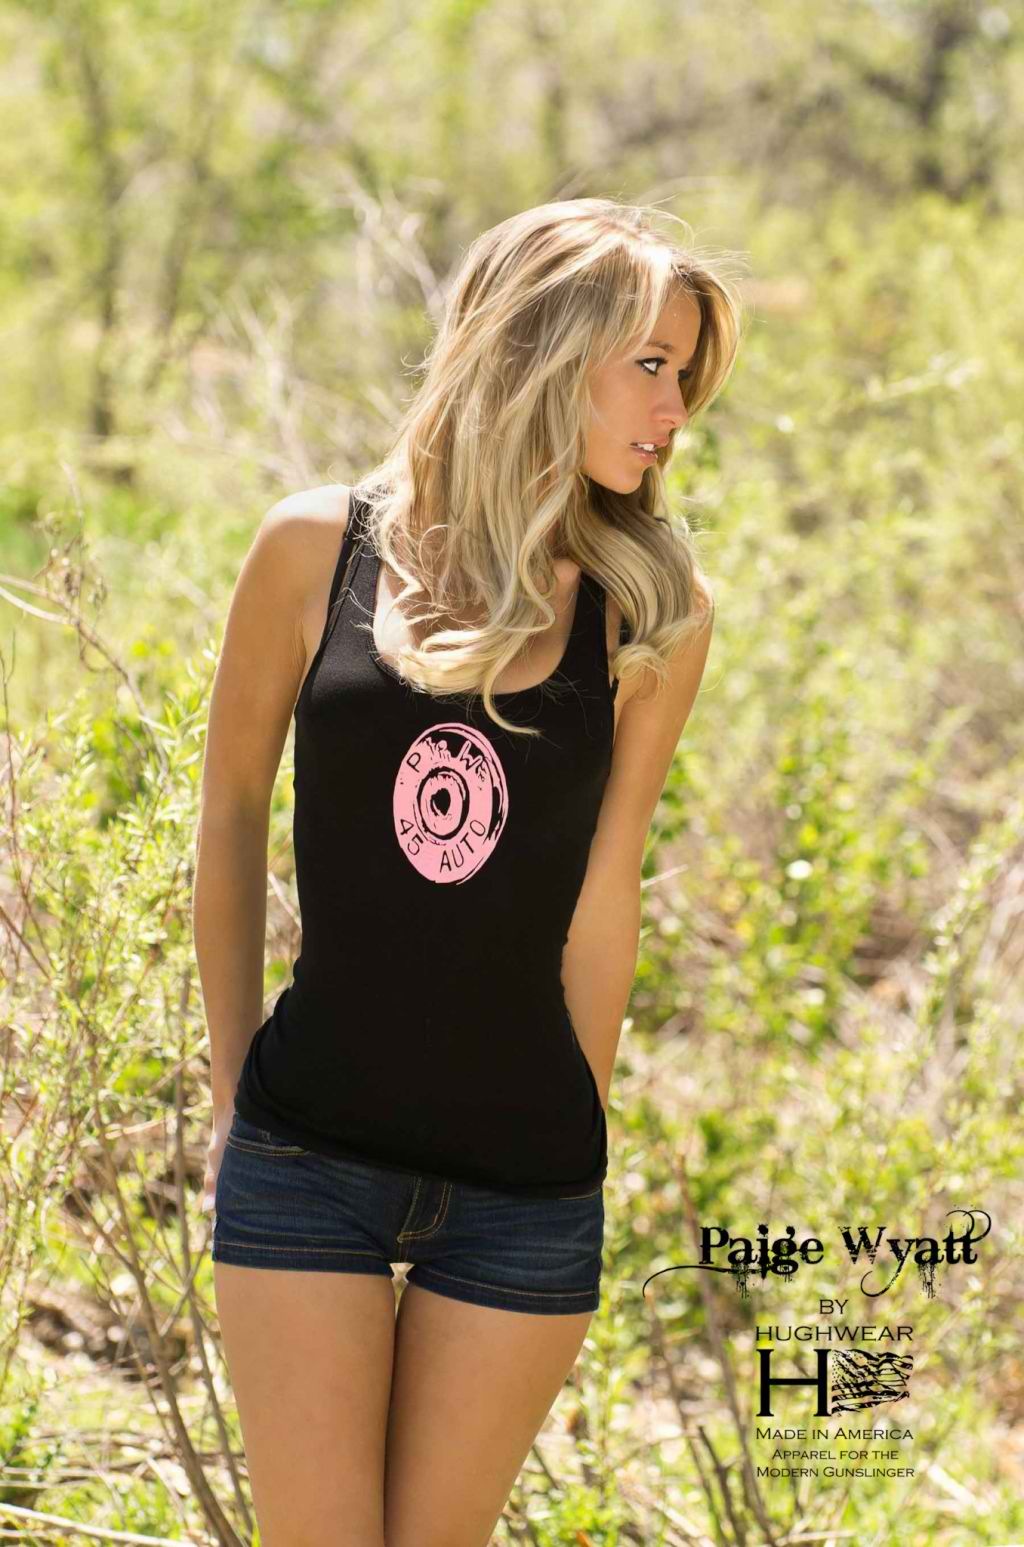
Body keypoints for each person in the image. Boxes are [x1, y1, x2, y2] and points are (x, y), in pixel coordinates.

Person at [193, 196, 742, 1547]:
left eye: (687, 376)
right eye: (652, 365)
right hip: (306, 1152)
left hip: (521, 1187)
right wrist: (229, 1090)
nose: (675, 411)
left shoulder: (650, 609)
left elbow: (606, 890)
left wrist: (579, 1132)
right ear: (542, 347)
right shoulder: (313, 549)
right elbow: (231, 812)